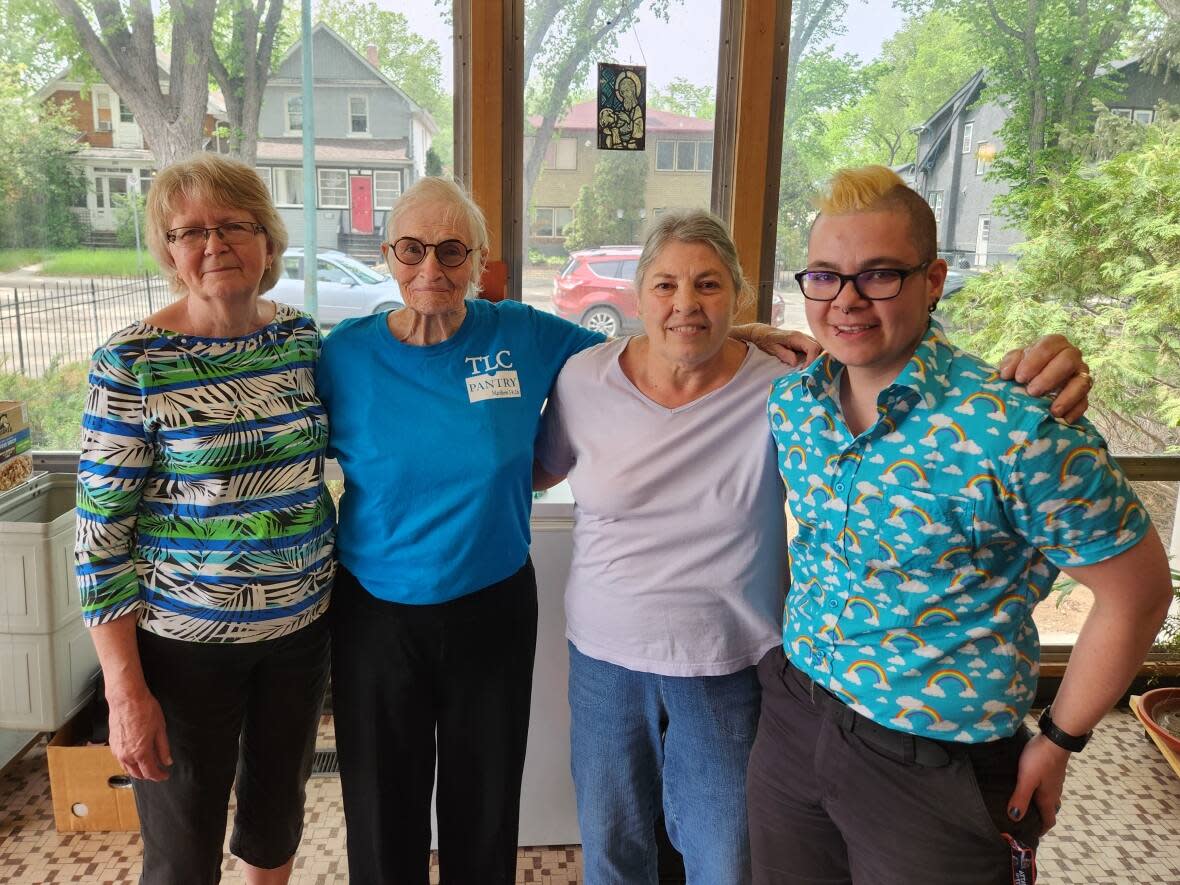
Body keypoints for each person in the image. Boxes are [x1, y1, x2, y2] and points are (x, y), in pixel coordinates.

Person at [532, 209, 1093, 885]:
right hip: (603, 655)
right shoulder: (583, 379)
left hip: (730, 656)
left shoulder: (786, 388)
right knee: (613, 841)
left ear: (738, 293)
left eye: (708, 285)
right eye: (665, 286)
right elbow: (539, 470)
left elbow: (890, 360)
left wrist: (1042, 372)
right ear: (636, 292)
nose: (685, 302)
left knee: (725, 853)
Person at [318, 178, 821, 884]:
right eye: (411, 248)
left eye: (453, 249)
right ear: (386, 253)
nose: (431, 267)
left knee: (485, 799)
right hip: (376, 609)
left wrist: (742, 332)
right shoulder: (343, 354)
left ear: (481, 259)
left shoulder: (522, 334)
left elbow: (653, 342)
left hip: (490, 603)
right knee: (380, 802)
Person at [746, 165, 1173, 884]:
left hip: (933, 764)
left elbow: (1139, 593)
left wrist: (1061, 739)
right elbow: (679, 345)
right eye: (825, 276)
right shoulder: (794, 402)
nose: (846, 301)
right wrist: (731, 324)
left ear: (933, 279)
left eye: (878, 275)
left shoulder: (1016, 428)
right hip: (796, 718)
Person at [75, 153, 335, 885]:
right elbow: (99, 541)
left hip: (299, 633)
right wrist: (125, 692)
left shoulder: (298, 341)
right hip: (183, 649)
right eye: (190, 231)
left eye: (234, 225)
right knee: (184, 849)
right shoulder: (133, 362)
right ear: (168, 252)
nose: (214, 244)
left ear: (267, 239)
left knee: (274, 819)